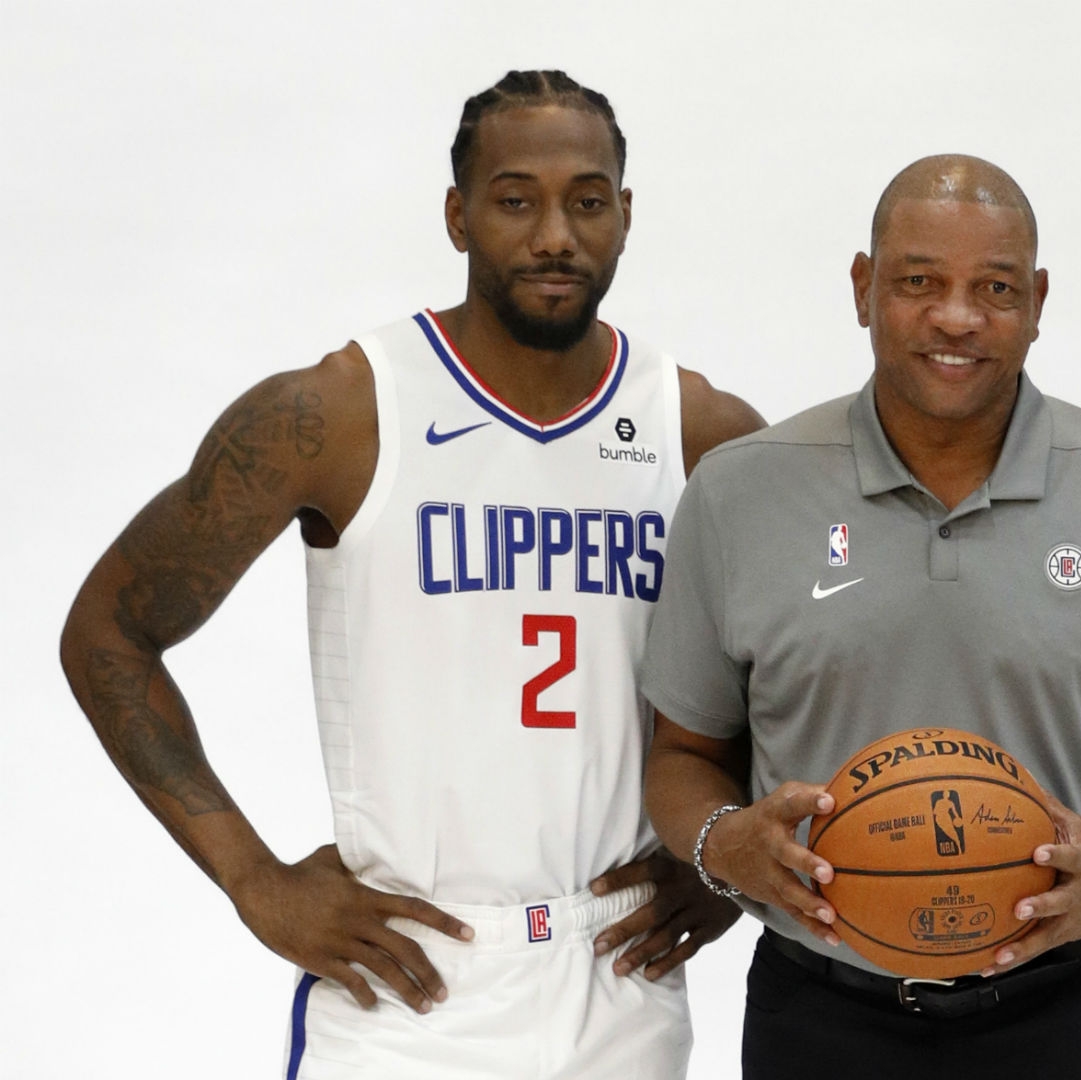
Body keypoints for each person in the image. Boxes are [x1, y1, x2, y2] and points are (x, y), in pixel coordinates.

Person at [58, 70, 760, 1079]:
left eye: (587, 200)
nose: (555, 232)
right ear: (458, 214)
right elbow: (108, 631)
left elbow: (815, 664)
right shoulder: (339, 413)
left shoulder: (697, 429)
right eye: (516, 198)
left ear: (626, 215)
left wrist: (724, 856)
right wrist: (253, 879)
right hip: (404, 980)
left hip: (617, 976)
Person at [637, 154, 1081, 1080]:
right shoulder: (741, 490)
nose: (957, 317)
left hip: (1076, 1008)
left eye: (996, 287)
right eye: (919, 282)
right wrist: (719, 842)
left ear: (1040, 300)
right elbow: (682, 755)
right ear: (862, 287)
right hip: (820, 1011)